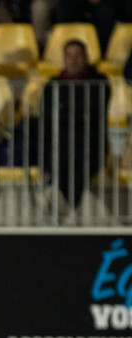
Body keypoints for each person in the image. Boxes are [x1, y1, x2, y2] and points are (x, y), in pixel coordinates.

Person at [41, 39, 110, 212]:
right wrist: (79, 113)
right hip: (61, 144)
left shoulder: (100, 82)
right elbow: (49, 114)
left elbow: (95, 111)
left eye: (78, 55)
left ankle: (67, 205)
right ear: (64, 59)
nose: (73, 60)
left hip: (90, 144)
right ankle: (62, 203)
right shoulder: (53, 84)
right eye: (69, 56)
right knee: (59, 159)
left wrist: (66, 110)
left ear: (86, 57)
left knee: (79, 161)